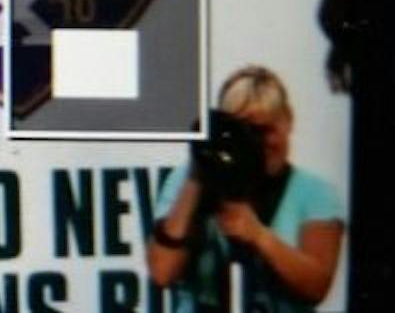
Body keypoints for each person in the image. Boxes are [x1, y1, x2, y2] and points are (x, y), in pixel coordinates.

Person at [147, 66, 347, 313]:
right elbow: (162, 272)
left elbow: (317, 287)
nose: (258, 144)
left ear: (288, 121)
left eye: (265, 130)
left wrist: (258, 235)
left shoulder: (316, 193)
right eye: (246, 132)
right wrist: (199, 173)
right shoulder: (187, 180)